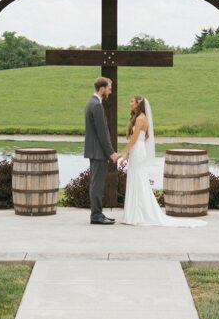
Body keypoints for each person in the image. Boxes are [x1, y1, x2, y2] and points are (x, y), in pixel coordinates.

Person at [118, 95, 205, 227]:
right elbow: (133, 140)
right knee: (135, 178)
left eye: (132, 101)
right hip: (135, 151)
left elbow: (135, 139)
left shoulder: (141, 119)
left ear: (138, 104)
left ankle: (137, 214)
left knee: (138, 179)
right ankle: (133, 213)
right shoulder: (137, 118)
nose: (129, 103)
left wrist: (122, 153)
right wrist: (127, 156)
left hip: (138, 150)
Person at [83, 76, 119, 224]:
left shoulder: (91, 102)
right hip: (98, 152)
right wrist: (111, 153)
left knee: (95, 184)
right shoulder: (96, 105)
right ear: (102, 89)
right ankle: (96, 216)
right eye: (109, 89)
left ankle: (98, 214)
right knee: (97, 185)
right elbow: (102, 133)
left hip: (94, 150)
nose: (110, 92)